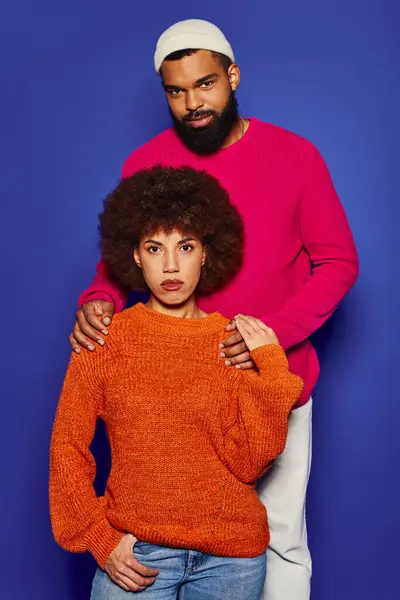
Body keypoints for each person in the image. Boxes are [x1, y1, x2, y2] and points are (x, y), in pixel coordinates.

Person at [69, 20, 359, 600]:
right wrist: (99, 299)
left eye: (205, 84)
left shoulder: (296, 156)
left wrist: (269, 337)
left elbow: (339, 263)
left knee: (280, 538)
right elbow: (125, 257)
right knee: (165, 534)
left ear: (233, 76)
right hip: (176, 396)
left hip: (271, 385)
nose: (192, 103)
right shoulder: (145, 162)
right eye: (176, 91)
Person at [50, 166, 303, 599]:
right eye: (154, 248)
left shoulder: (232, 343)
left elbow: (250, 462)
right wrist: (99, 538)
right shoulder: (105, 339)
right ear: (134, 254)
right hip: (138, 555)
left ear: (205, 252)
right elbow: (67, 447)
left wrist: (272, 371)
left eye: (185, 246)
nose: (170, 265)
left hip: (232, 562)